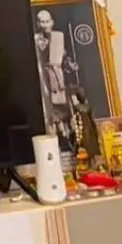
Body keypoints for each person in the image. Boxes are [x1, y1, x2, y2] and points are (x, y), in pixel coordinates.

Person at [34, 9, 79, 145]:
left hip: (59, 76)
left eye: (47, 21)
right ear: (37, 24)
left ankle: (70, 139)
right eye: (41, 22)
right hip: (44, 77)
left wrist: (70, 64)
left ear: (52, 22)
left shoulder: (58, 37)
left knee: (66, 108)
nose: (44, 25)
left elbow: (63, 55)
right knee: (49, 109)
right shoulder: (36, 39)